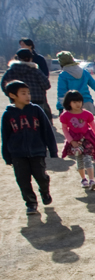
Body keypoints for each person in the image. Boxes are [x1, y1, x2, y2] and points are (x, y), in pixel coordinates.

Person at [1, 80, 58, 215]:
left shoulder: (36, 110)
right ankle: (31, 203)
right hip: (17, 154)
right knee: (23, 180)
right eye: (23, 93)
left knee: (41, 176)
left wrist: (53, 149)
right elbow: (5, 136)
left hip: (37, 151)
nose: (28, 96)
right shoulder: (8, 114)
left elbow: (47, 130)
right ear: (12, 95)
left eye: (28, 93)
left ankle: (45, 192)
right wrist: (7, 155)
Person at [59, 90, 95, 190]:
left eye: (79, 101)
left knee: (88, 159)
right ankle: (84, 179)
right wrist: (71, 141)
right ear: (69, 103)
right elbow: (64, 129)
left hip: (87, 139)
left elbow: (94, 127)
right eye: (74, 102)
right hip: (74, 141)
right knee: (79, 160)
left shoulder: (87, 114)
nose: (77, 104)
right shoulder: (65, 115)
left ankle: (92, 180)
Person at [2, 49, 52, 119]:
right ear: (31, 59)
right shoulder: (35, 71)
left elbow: (4, 86)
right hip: (37, 101)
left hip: (17, 102)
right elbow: (46, 85)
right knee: (37, 124)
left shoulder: (10, 71)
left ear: (17, 58)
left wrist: (13, 96)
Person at [55, 51, 95, 116]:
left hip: (72, 105)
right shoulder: (84, 72)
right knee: (88, 125)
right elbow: (94, 85)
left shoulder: (63, 75)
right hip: (86, 102)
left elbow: (61, 92)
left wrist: (60, 107)